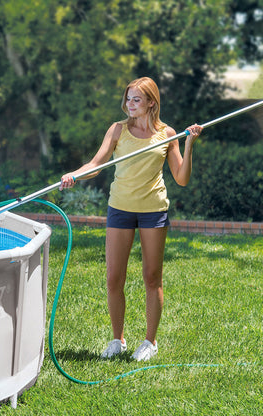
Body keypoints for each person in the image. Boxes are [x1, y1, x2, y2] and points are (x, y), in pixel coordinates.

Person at [59, 77, 202, 361]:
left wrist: (188, 144)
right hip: (120, 209)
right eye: (128, 99)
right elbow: (96, 164)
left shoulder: (167, 134)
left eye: (136, 99)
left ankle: (150, 341)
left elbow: (182, 179)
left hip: (153, 210)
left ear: (151, 102)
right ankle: (118, 340)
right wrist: (75, 174)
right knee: (114, 278)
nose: (130, 104)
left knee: (152, 277)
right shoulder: (117, 130)